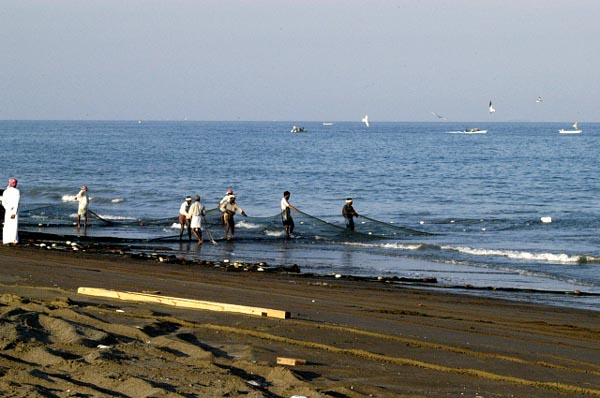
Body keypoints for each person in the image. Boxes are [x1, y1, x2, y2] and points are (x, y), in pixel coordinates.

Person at [3, 178, 20, 245]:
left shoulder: (6, 191)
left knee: (7, 224)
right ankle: (14, 240)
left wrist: (7, 208)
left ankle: (7, 240)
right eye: (14, 183)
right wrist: (14, 212)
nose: (15, 184)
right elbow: (16, 202)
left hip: (8, 210)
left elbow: (3, 202)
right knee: (13, 225)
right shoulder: (16, 191)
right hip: (13, 210)